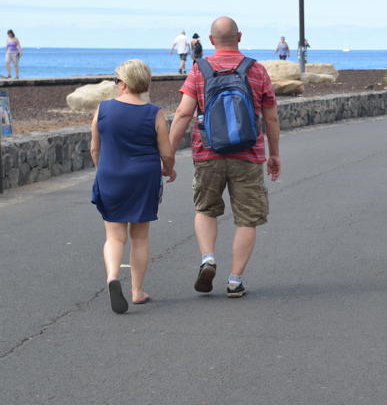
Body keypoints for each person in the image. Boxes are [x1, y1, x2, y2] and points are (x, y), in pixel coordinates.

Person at [169, 16, 281, 299]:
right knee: (247, 218)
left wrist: (167, 153)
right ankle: (235, 280)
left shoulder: (199, 70)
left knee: (206, 209)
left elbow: (183, 113)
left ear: (210, 40)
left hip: (208, 152)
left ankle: (208, 258)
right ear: (240, 37)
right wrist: (274, 154)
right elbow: (271, 117)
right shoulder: (256, 70)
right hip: (248, 154)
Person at [90, 59, 177, 314]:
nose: (116, 84)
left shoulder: (103, 109)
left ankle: (112, 277)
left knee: (114, 236)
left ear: (124, 84)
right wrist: (169, 170)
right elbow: (167, 152)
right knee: (140, 236)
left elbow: (95, 148)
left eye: (117, 80)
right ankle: (137, 292)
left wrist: (102, 170)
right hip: (143, 177)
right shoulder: (154, 113)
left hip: (111, 175)